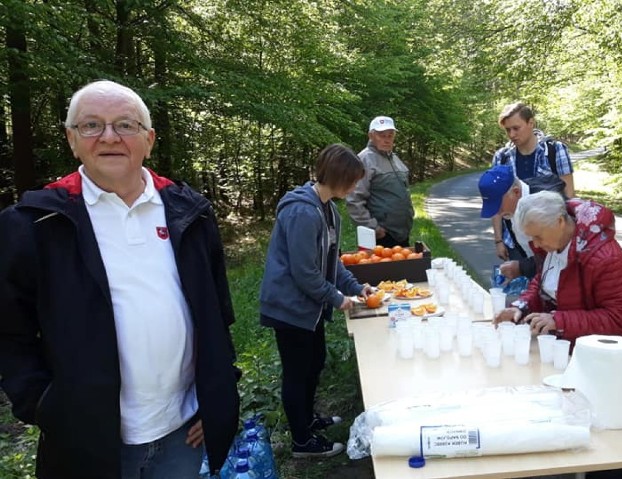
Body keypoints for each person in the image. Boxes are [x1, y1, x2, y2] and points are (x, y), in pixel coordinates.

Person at [0, 80, 240, 478]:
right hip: (89, 443)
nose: (109, 137)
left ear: (149, 139)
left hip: (182, 432)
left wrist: (217, 392)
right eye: (91, 125)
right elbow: (10, 332)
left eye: (125, 125)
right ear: (72, 140)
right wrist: (44, 406)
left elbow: (216, 310)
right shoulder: (35, 224)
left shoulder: (190, 212)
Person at [259, 144, 372, 458]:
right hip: (290, 307)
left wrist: (354, 286)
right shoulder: (302, 211)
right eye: (352, 182)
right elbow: (305, 272)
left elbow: (332, 261)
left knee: (315, 362)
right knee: (297, 372)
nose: (355, 188)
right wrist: (337, 298)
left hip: (310, 307)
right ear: (337, 178)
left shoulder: (328, 209)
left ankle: (307, 418)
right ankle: (301, 441)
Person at [493, 191, 622, 381]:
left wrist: (559, 321)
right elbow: (543, 282)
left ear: (560, 221)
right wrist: (521, 306)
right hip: (586, 352)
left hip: (620, 355)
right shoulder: (557, 243)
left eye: (538, 236)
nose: (536, 245)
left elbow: (620, 317)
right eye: (532, 238)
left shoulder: (606, 258)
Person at [491, 102, 575, 263]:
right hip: (514, 241)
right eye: (508, 130)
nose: (512, 134)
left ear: (531, 123)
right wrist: (498, 240)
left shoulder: (555, 150)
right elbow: (496, 202)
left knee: (551, 286)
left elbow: (569, 196)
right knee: (522, 285)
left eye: (516, 128)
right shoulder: (502, 158)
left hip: (550, 236)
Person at [346, 116, 414, 247]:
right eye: (381, 135)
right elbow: (354, 200)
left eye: (390, 135)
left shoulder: (395, 159)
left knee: (403, 266)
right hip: (380, 235)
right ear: (371, 136)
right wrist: (374, 229)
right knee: (381, 268)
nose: (386, 139)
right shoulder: (364, 160)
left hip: (402, 232)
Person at [479, 164, 544, 282]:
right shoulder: (512, 208)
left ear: (516, 192)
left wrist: (521, 267)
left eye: (499, 205)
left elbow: (553, 258)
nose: (497, 212)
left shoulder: (542, 208)